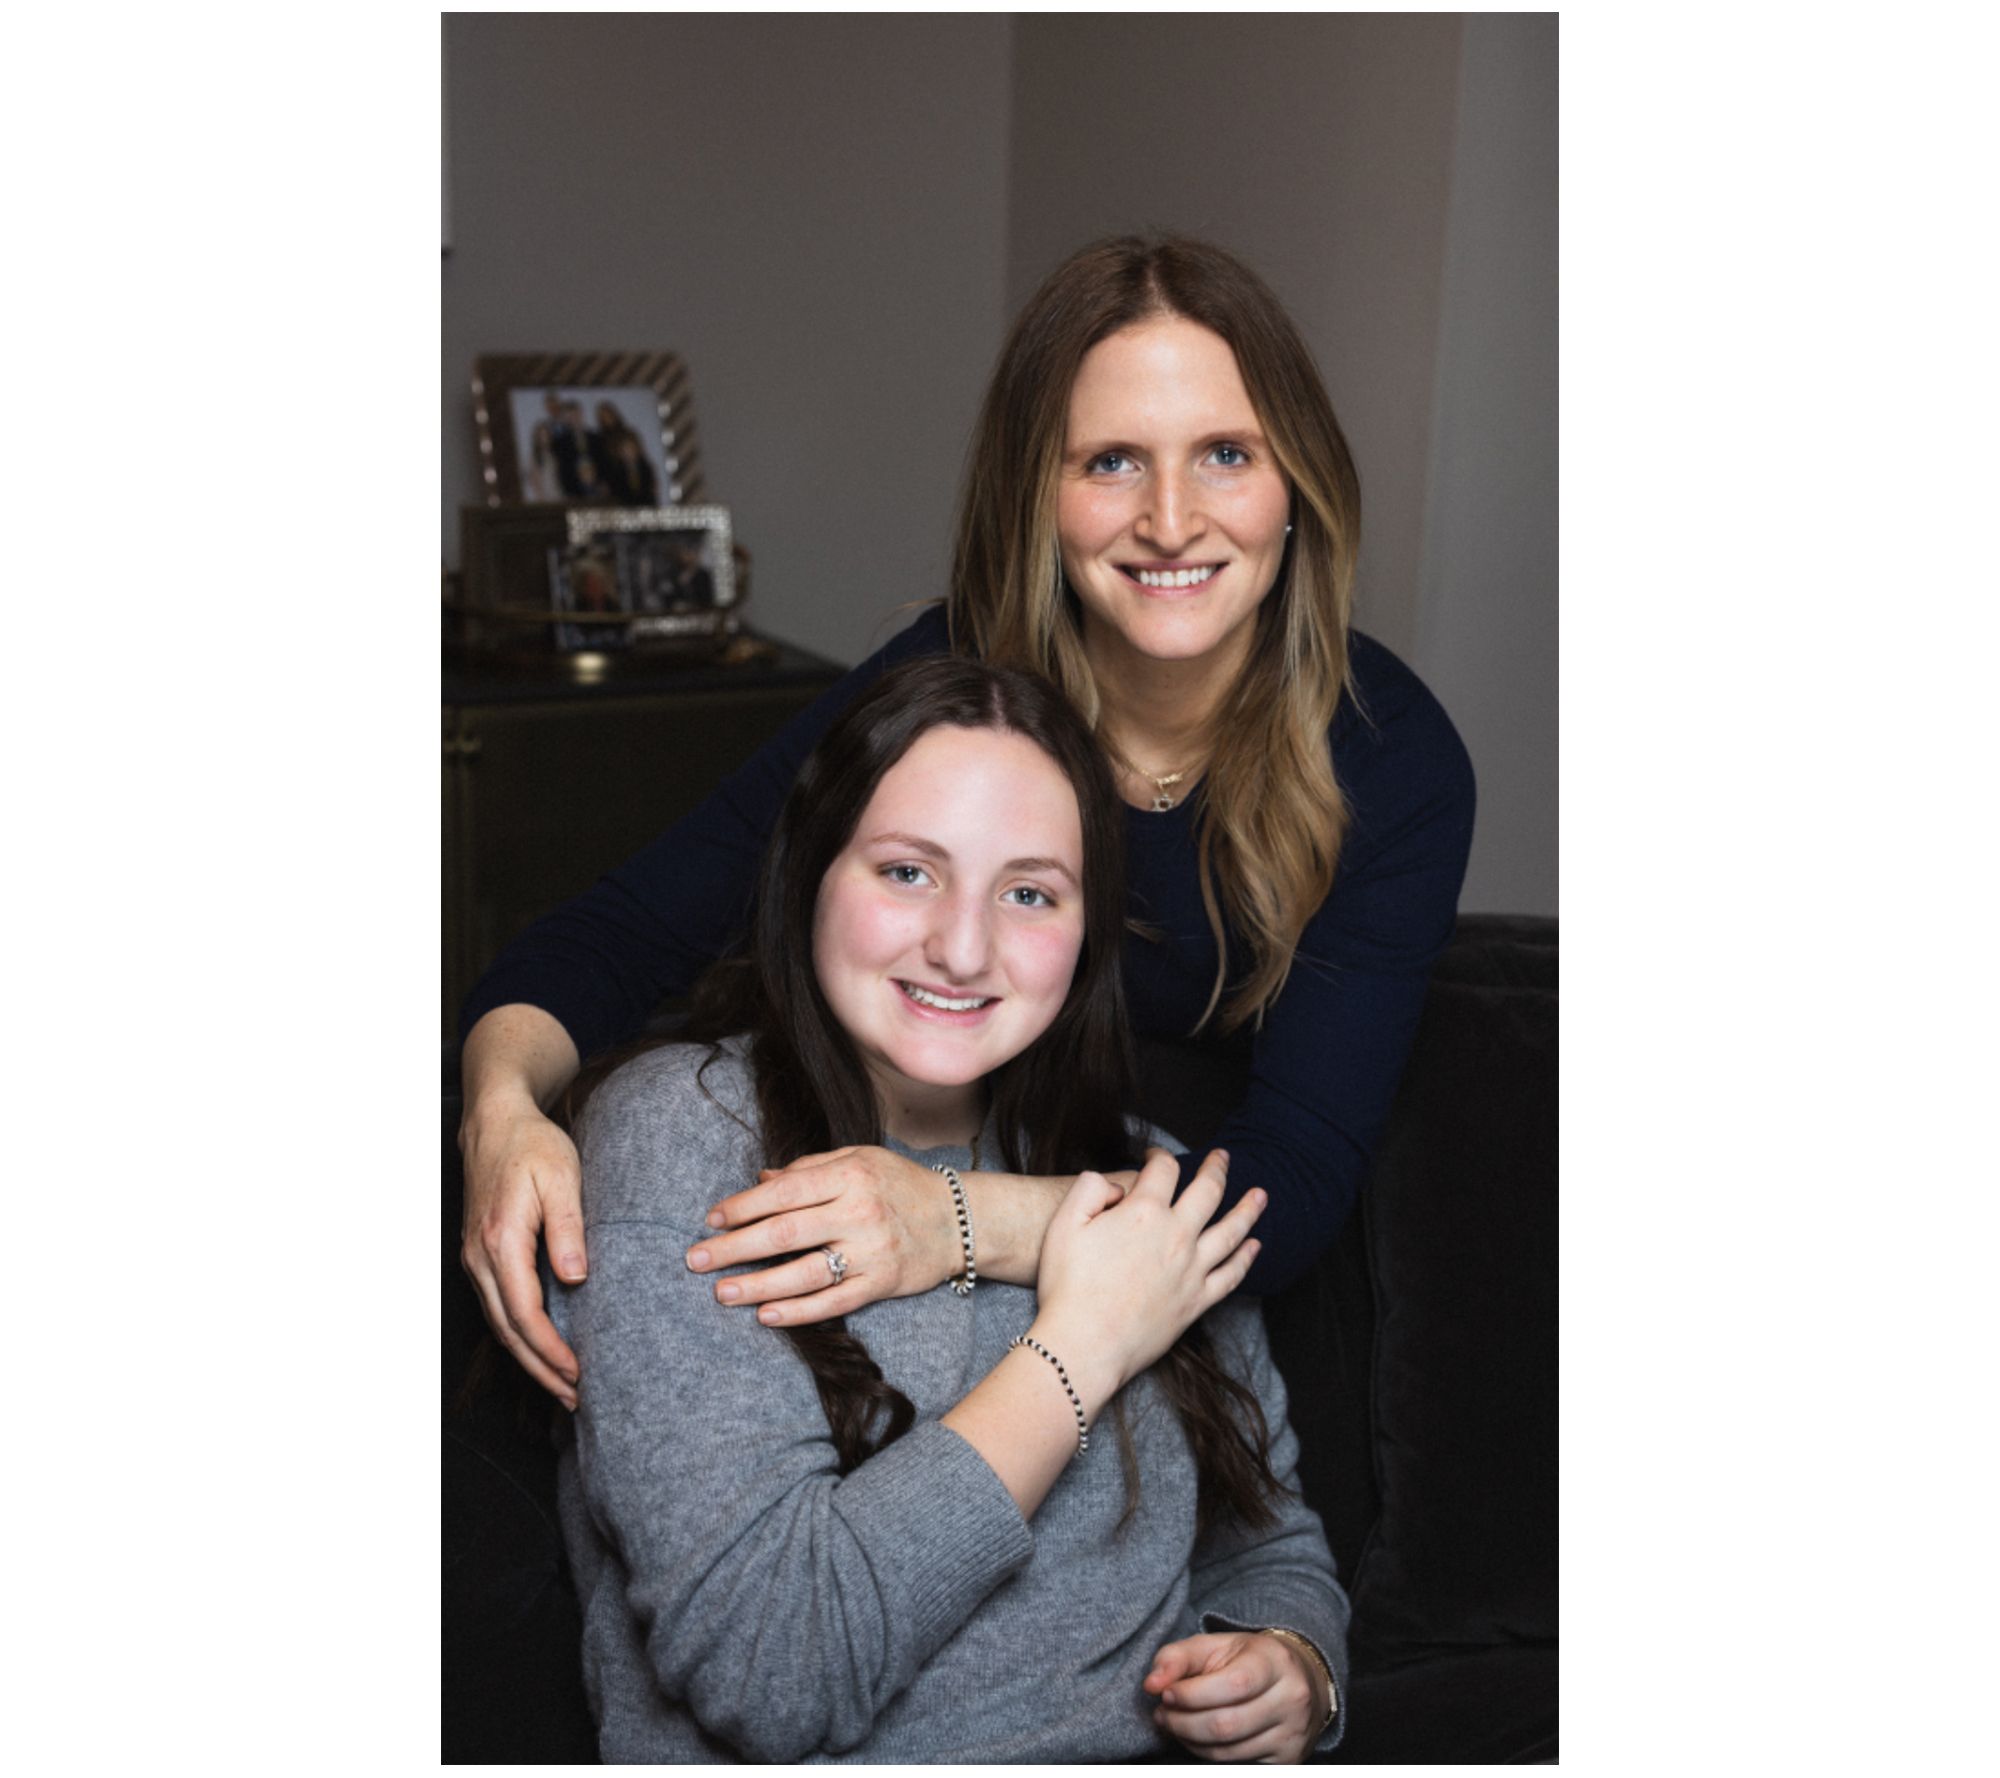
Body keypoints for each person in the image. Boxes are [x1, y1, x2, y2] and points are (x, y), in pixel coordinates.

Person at [459, 234, 1476, 1410]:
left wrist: (945, 1219)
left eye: (1225, 454)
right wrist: (501, 1109)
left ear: (1296, 479)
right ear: (1036, 492)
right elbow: (624, 930)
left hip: (1192, 1296)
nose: (1170, 518)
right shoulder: (946, 685)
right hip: (909, 1216)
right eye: (1110, 461)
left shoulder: (1392, 758)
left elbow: (1283, 1189)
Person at [552, 657, 1347, 1762]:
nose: (962, 949)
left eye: (1029, 893)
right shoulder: (684, 1137)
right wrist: (1082, 1346)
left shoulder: (1144, 1183)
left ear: (1087, 930)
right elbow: (772, 1669)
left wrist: (1294, 1661)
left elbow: (1268, 1544)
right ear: (811, 870)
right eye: (907, 872)